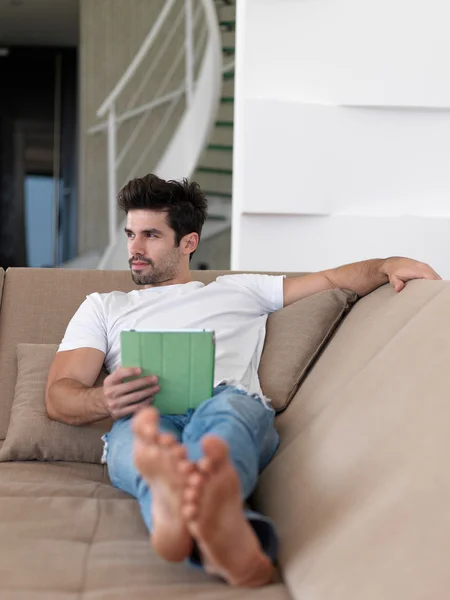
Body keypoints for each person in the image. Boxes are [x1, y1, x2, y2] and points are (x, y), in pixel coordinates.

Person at [45, 174, 441, 587]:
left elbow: (331, 280)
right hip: (143, 413)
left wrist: (384, 265)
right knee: (140, 441)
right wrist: (104, 401)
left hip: (225, 398)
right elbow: (59, 396)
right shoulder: (104, 307)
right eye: (130, 234)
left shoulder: (240, 290)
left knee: (226, 420)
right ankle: (219, 530)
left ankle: (180, 511)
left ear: (188, 243)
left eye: (150, 235)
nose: (134, 249)